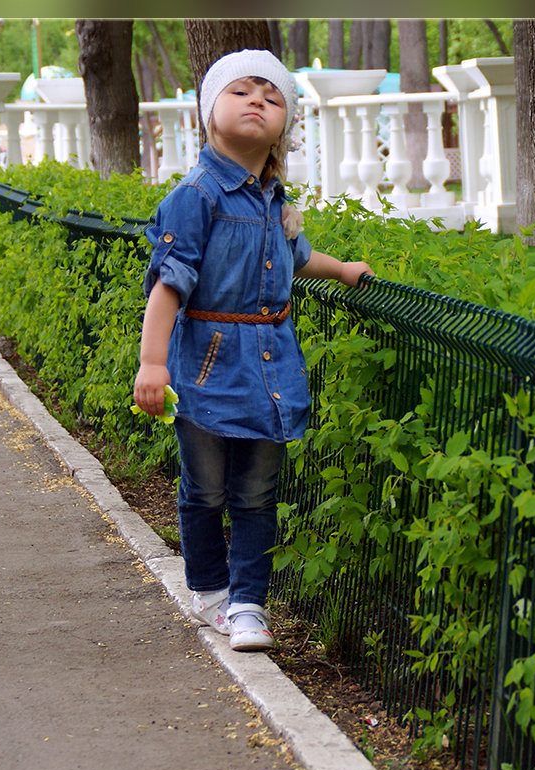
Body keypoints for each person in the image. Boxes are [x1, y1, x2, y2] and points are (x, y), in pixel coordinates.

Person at [133, 49, 373, 652]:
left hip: (272, 364)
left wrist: (339, 268)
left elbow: (295, 256)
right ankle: (211, 590)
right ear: (209, 111)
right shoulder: (197, 197)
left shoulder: (274, 198)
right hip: (209, 366)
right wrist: (153, 362)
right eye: (241, 92)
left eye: (271, 99)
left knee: (256, 493)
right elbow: (168, 284)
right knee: (206, 490)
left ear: (282, 127)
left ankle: (247, 606)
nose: (257, 103)